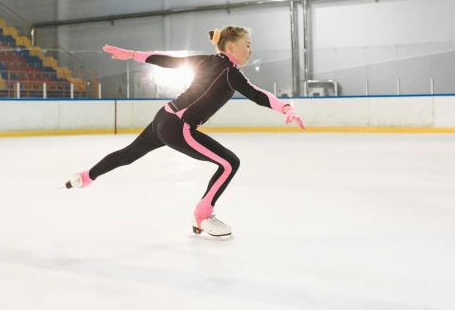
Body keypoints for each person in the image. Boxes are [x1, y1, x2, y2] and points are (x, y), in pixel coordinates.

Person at [65, 26, 305, 237]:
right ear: (231, 47)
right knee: (230, 163)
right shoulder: (230, 72)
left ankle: (85, 177)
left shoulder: (207, 60)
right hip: (179, 127)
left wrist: (133, 55)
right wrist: (286, 108)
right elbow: (257, 94)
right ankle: (202, 215)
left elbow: (169, 60)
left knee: (127, 155)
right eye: (248, 46)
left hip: (164, 118)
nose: (251, 51)